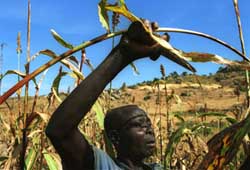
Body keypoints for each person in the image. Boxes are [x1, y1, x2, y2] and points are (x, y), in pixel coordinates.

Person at [45, 20, 194, 170]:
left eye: (148, 124)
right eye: (138, 125)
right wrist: (123, 55)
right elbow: (60, 130)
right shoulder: (102, 165)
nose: (149, 130)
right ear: (115, 137)